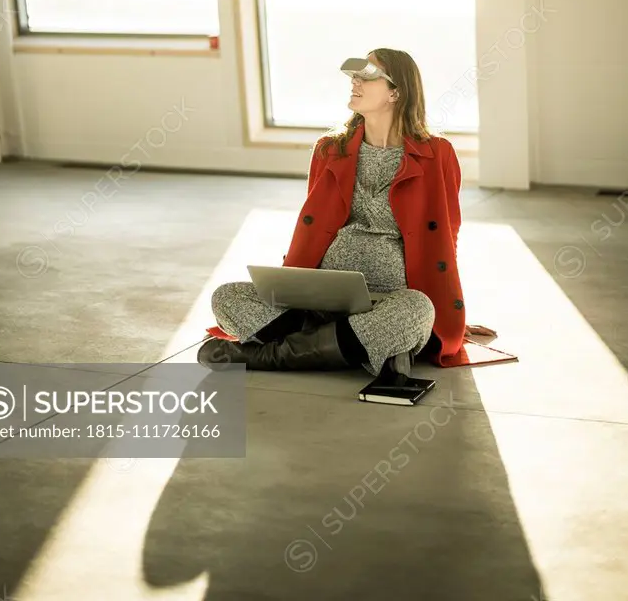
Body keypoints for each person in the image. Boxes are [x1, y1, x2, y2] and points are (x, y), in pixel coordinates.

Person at [198, 48, 489, 377]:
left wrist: (448, 306)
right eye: (354, 76)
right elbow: (316, 226)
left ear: (396, 91)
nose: (355, 81)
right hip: (317, 300)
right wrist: (294, 284)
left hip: (390, 298)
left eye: (367, 75)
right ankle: (347, 345)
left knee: (418, 310)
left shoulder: (437, 154)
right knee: (227, 296)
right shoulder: (329, 149)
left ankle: (271, 355)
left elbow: (445, 236)